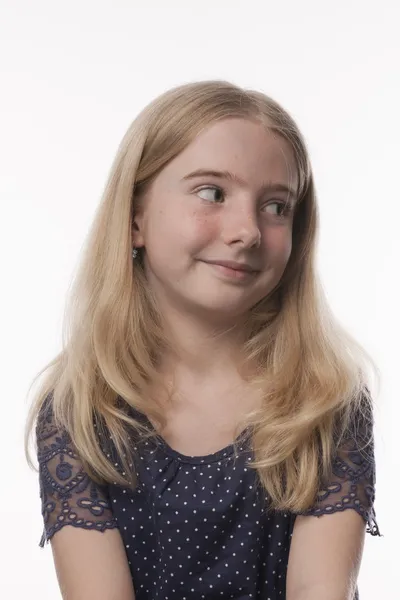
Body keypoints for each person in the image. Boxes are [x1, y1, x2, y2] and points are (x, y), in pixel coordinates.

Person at [25, 79, 381, 600]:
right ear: (135, 217)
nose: (249, 231)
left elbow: (319, 588)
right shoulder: (82, 412)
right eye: (212, 193)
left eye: (277, 206)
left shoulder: (324, 403)